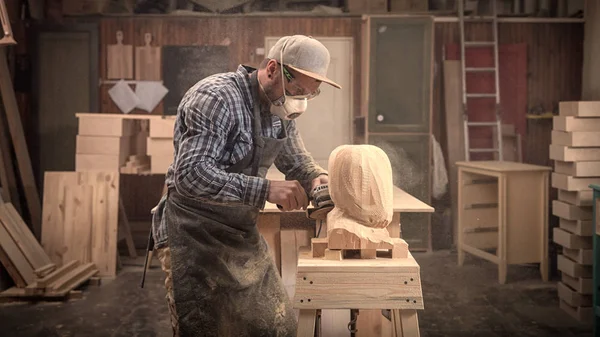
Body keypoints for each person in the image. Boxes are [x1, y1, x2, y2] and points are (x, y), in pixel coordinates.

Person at [149, 35, 341, 337]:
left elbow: (297, 161)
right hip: (192, 232)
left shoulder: (281, 110)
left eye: (309, 95)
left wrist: (318, 180)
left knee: (275, 327)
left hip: (239, 231)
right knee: (205, 329)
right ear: (274, 69)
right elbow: (191, 175)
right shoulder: (216, 98)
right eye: (297, 90)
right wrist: (266, 190)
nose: (299, 101)